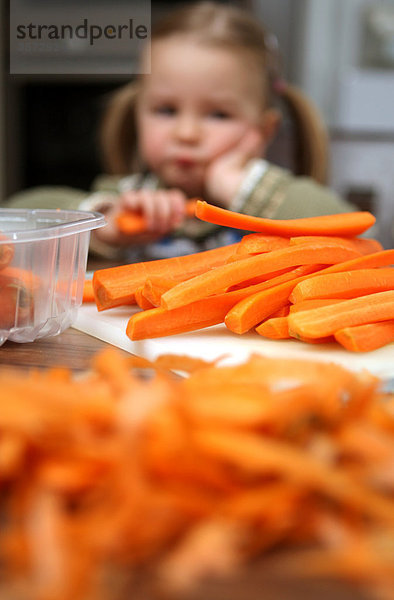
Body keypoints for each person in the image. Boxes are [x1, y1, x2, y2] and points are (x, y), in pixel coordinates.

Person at [5, 1, 356, 260]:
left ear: (263, 132)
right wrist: (105, 225)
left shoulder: (273, 201)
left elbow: (358, 239)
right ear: (137, 114)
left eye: (218, 115)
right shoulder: (131, 198)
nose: (186, 133)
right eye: (166, 110)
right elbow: (16, 215)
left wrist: (240, 188)